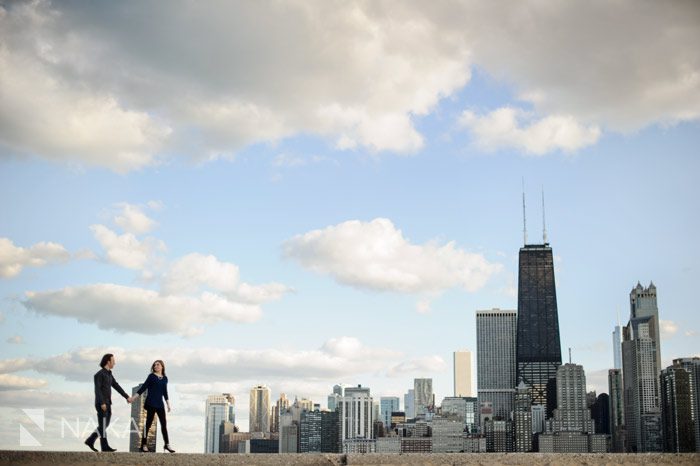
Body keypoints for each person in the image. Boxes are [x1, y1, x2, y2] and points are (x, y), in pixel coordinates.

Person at [84, 353, 131, 452]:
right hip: (102, 403)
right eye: (113, 361)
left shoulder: (109, 374)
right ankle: (104, 446)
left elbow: (116, 386)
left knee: (104, 425)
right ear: (108, 362)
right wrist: (102, 403)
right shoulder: (99, 374)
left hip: (108, 403)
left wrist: (126, 396)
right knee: (103, 425)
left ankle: (90, 440)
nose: (115, 363)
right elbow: (97, 390)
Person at [132, 359, 175, 453]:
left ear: (162, 366)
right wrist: (133, 398)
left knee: (164, 425)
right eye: (154, 365)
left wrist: (168, 404)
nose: (155, 366)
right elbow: (143, 388)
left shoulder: (165, 378)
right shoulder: (151, 376)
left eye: (158, 364)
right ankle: (143, 444)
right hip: (151, 403)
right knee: (148, 424)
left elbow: (165, 392)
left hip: (160, 405)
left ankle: (167, 444)